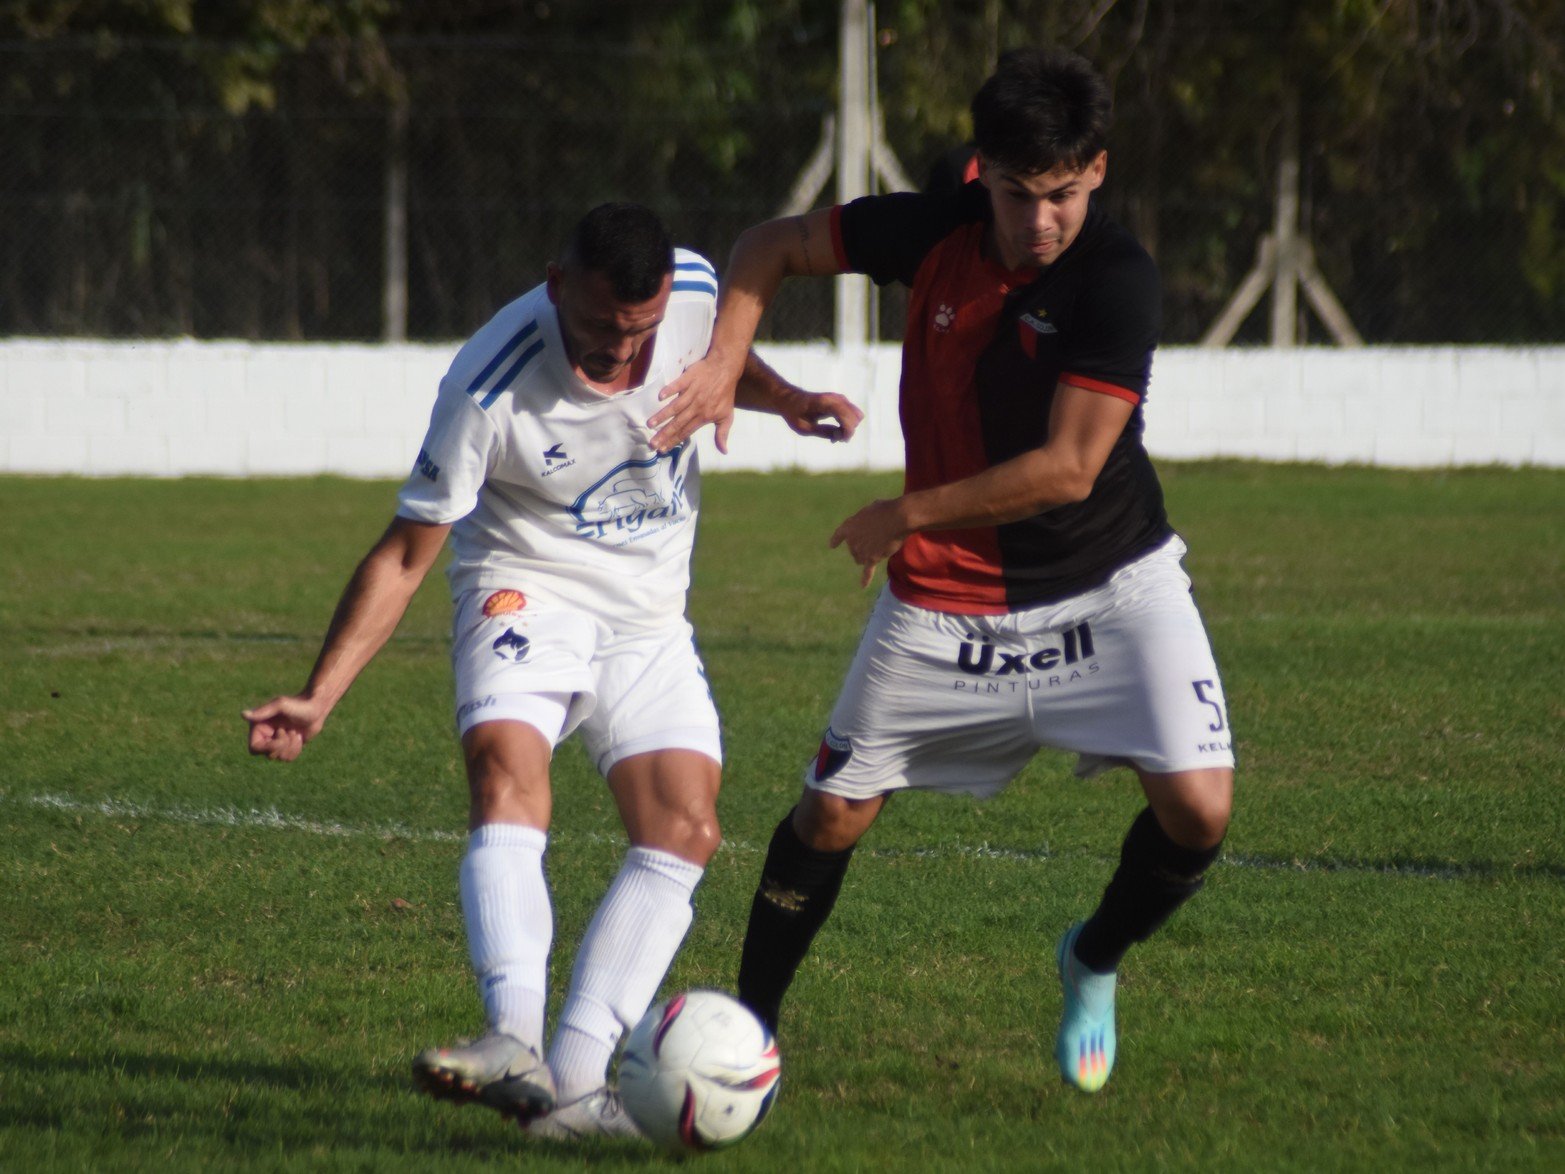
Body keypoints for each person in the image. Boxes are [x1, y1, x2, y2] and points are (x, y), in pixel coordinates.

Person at [648, 48, 1234, 1095]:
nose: (1039, 219)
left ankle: (1090, 957)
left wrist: (903, 511)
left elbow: (1067, 468)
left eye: (1060, 194)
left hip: (1112, 584)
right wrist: (724, 361)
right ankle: (746, 1042)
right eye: (1017, 194)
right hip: (947, 601)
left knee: (1198, 810)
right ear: (982, 173)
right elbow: (763, 247)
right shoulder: (932, 230)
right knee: (829, 814)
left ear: (1094, 171)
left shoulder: (1117, 277)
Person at [243, 202, 861, 1138]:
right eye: (599, 331)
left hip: (648, 613)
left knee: (685, 825)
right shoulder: (489, 381)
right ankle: (509, 1035)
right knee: (505, 769)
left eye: (639, 334)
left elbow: (722, 355)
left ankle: (566, 1092)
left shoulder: (694, 291)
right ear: (554, 283)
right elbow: (406, 555)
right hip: (523, 589)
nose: (619, 354)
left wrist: (785, 400)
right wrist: (321, 692)